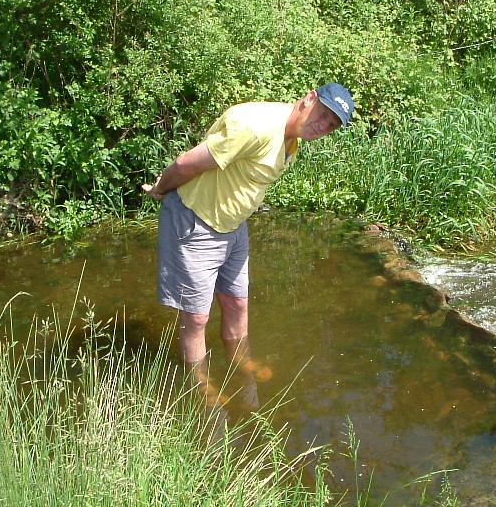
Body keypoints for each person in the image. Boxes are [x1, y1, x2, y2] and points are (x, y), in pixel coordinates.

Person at [142, 83, 355, 413]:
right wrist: (159, 188)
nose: (323, 127)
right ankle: (200, 385)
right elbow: (188, 163)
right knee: (197, 317)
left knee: (238, 302)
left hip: (233, 226)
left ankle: (240, 365)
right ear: (309, 98)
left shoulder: (291, 138)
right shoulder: (255, 127)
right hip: (196, 220)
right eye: (323, 115)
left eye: (331, 125)